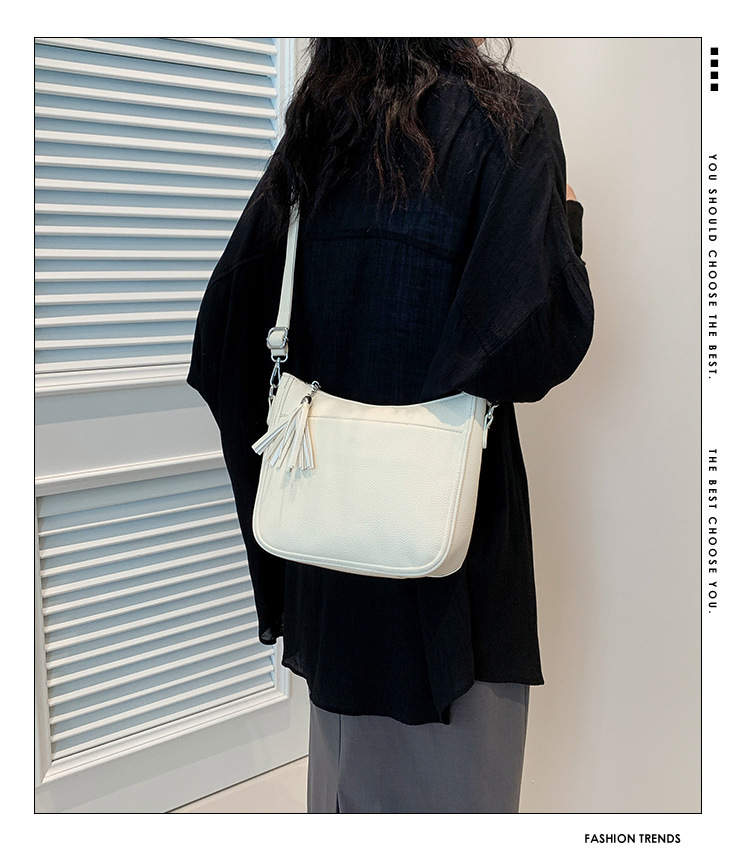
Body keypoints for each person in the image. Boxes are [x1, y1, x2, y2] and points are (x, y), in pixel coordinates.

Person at [187, 37, 594, 813]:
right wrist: (564, 224)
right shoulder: (509, 119)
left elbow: (226, 333)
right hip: (452, 555)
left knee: (347, 794)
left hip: (327, 551)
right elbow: (529, 347)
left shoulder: (319, 131)